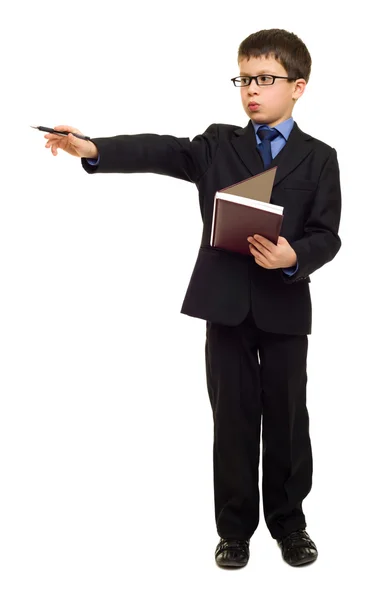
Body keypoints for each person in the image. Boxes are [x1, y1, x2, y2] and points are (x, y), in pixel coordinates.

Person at [42, 28, 341, 568]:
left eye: (265, 79)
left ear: (298, 87)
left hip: (284, 306)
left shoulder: (320, 159)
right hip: (224, 303)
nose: (252, 89)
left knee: (288, 419)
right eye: (245, 79)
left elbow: (327, 233)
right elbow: (160, 150)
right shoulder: (217, 144)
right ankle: (234, 531)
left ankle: (290, 525)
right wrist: (93, 149)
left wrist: (292, 256)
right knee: (232, 418)